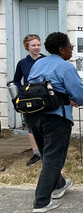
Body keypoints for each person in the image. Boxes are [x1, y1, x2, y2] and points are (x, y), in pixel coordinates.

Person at [26, 32, 83, 213]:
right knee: (54, 158)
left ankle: (59, 185)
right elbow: (80, 96)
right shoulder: (66, 67)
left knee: (47, 154)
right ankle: (41, 202)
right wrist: (73, 99)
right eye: (70, 46)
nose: (71, 50)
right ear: (62, 49)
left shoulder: (38, 63)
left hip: (34, 116)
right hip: (56, 118)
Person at [13, 34, 46, 166]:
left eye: (38, 45)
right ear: (27, 47)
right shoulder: (22, 63)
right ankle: (37, 153)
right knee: (31, 126)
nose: (37, 48)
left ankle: (47, 153)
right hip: (28, 99)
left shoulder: (46, 60)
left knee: (45, 125)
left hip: (43, 97)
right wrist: (22, 91)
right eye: (33, 45)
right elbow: (16, 80)